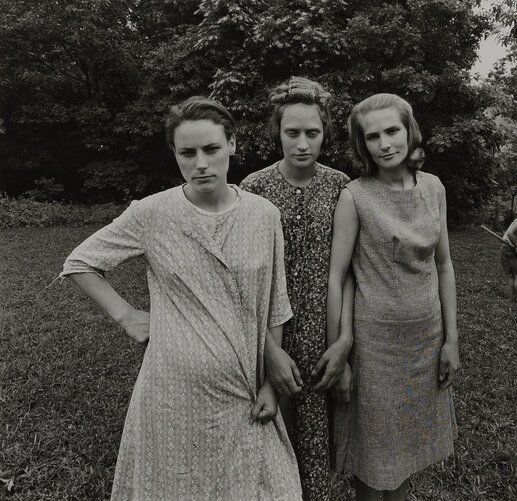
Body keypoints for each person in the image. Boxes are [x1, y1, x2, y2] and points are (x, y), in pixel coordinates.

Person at [60, 97, 302, 500]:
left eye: (211, 149)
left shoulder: (264, 214)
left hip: (243, 390)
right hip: (172, 394)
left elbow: (275, 302)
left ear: (232, 145)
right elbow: (80, 262)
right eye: (187, 153)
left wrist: (270, 386)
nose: (201, 163)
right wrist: (125, 316)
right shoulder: (153, 213)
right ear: (175, 154)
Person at [327, 93, 459, 501]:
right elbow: (337, 276)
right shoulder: (355, 196)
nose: (384, 143)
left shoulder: (434, 188)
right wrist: (340, 353)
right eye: (372, 137)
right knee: (372, 459)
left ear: (409, 131)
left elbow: (444, 265)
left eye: (392, 131)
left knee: (405, 453)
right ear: (361, 144)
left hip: (426, 341)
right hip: (374, 346)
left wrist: (452, 340)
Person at [240, 76, 353, 501]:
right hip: (269, 332)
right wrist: (268, 350)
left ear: (325, 133)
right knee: (266, 435)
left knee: (314, 440)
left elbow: (350, 272)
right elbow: (245, 278)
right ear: (277, 133)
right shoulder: (254, 188)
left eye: (312, 132)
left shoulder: (342, 185)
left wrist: (345, 341)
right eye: (292, 132)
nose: (302, 142)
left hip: (324, 330)